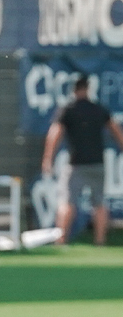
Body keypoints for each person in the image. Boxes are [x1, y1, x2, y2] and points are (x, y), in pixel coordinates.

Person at [41, 75, 123, 246]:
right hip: (97, 163)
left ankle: (62, 241)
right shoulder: (98, 109)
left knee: (67, 202)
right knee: (99, 203)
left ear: (74, 90)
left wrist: (48, 158)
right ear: (88, 89)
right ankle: (100, 241)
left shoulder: (68, 109)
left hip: (75, 164)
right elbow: (116, 130)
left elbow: (55, 133)